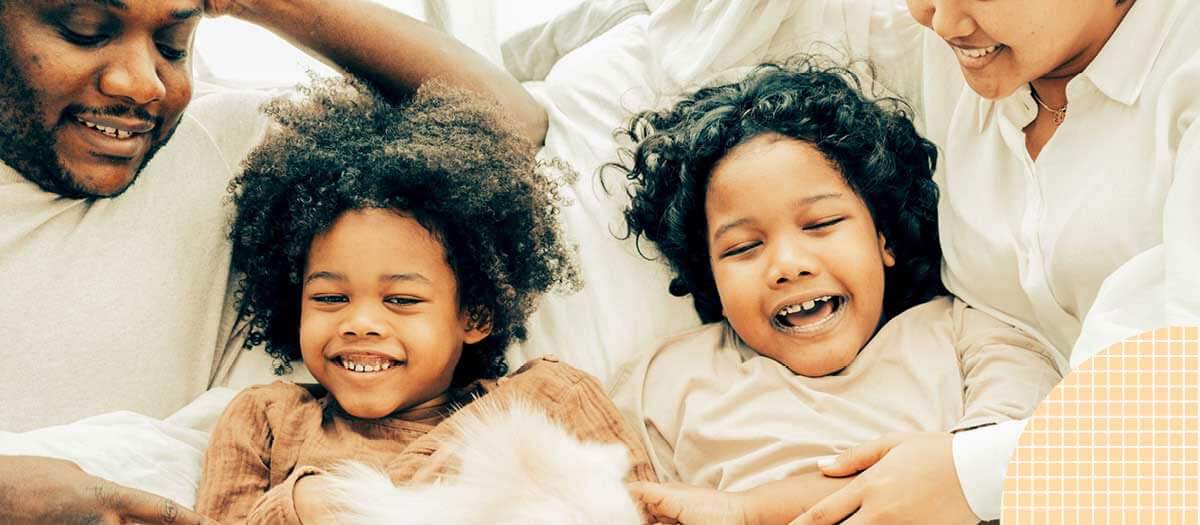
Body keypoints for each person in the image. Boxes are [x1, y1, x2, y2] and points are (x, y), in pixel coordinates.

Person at [630, 1, 1200, 522]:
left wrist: (967, 474)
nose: (942, 22)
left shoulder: (963, 342)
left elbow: (1176, 411)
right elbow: (686, 43)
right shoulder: (678, 376)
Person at [0, 0, 545, 522]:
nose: (143, 84)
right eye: (86, 31)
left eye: (172, 46)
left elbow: (508, 123)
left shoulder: (221, 150)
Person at [606, 58, 1063, 525]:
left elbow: (996, 468)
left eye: (821, 224)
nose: (788, 266)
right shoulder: (667, 381)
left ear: (883, 238)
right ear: (711, 279)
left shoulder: (971, 335)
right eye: (743, 247)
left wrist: (748, 511)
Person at [192, 76, 654, 524]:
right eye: (331, 296)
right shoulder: (267, 421)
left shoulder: (548, 398)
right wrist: (301, 505)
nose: (360, 322)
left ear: (475, 314)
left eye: (402, 299)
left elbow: (647, 513)